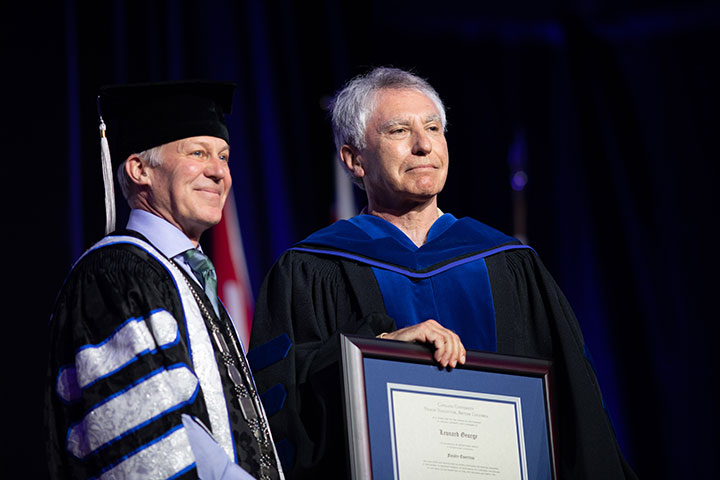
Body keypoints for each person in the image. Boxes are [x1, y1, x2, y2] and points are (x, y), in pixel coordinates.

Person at [249, 67, 637, 479]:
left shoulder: (509, 263)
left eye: (433, 128)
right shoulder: (312, 268)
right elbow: (278, 411)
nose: (423, 145)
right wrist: (373, 350)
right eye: (399, 131)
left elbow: (576, 411)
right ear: (354, 159)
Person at [45, 81, 283, 480]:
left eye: (224, 156)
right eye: (198, 153)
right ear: (140, 170)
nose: (219, 171)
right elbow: (150, 442)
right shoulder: (113, 275)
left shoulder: (189, 279)